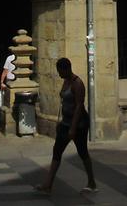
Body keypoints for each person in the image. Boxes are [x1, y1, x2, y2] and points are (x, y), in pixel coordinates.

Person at [35, 57, 97, 195]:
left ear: (66, 68)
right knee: (57, 150)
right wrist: (60, 121)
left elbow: (79, 106)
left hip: (79, 124)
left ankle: (92, 182)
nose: (59, 74)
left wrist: (73, 128)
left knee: (82, 152)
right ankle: (48, 184)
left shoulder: (77, 84)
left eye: (60, 71)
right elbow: (63, 103)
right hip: (65, 122)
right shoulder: (66, 82)